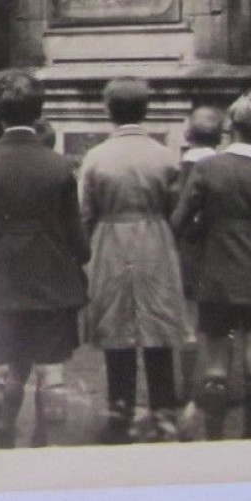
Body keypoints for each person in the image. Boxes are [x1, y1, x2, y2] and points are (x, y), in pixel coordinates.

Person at [0, 71, 89, 449]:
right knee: (51, 373)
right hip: (51, 283)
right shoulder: (60, 167)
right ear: (39, 112)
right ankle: (44, 455)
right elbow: (75, 238)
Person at [172, 90, 251, 440]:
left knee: (216, 356)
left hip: (216, 278)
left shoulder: (206, 170)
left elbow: (180, 223)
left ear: (233, 126)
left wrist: (206, 233)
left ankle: (215, 438)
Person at [79, 78, 189, 443]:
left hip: (111, 241)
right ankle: (164, 417)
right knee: (157, 326)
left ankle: (120, 417)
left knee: (117, 328)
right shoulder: (165, 155)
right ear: (146, 109)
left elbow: (85, 212)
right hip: (155, 241)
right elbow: (178, 208)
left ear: (108, 110)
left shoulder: (96, 157)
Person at [174, 105, 225, 417]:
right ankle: (217, 383)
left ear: (188, 135)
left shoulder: (178, 171)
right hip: (219, 254)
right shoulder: (225, 168)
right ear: (219, 138)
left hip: (187, 254)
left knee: (189, 323)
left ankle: (186, 386)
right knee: (220, 324)